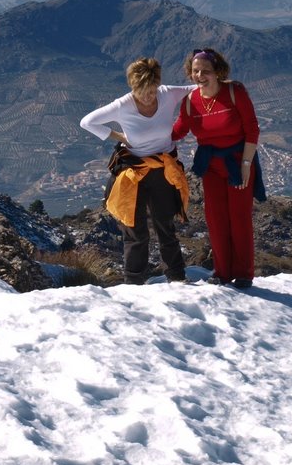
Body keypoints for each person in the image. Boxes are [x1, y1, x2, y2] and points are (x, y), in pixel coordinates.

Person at [79, 57, 194, 284]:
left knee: (166, 227)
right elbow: (87, 122)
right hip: (134, 172)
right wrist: (118, 136)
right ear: (133, 87)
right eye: (142, 91)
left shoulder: (168, 93)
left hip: (163, 169)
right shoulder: (123, 105)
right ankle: (134, 283)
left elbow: (198, 88)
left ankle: (177, 277)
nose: (148, 96)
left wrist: (227, 85)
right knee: (134, 230)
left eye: (152, 91)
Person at [172, 48, 264, 288]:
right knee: (216, 219)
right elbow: (178, 130)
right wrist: (144, 136)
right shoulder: (190, 101)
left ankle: (243, 273)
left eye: (206, 71)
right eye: (195, 71)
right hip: (210, 166)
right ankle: (222, 272)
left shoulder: (235, 93)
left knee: (239, 219)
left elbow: (252, 129)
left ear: (218, 72)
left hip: (237, 163)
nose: (200, 75)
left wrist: (246, 165)